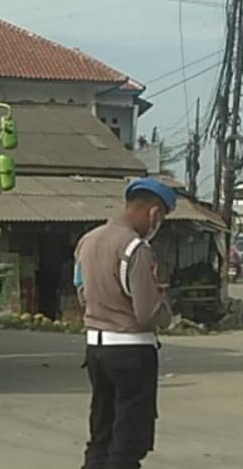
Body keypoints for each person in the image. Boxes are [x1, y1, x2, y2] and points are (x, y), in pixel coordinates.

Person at [75, 177, 175, 469]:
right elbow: (146, 313)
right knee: (128, 441)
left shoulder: (87, 241)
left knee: (101, 434)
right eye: (160, 219)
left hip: (96, 348)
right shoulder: (135, 248)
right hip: (131, 351)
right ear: (154, 214)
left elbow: (81, 293)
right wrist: (165, 307)